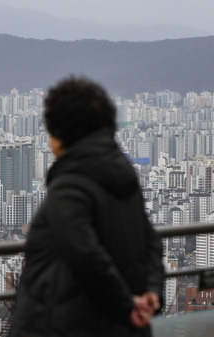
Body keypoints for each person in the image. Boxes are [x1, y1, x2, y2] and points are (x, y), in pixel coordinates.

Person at [9, 76, 164, 336]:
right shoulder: (123, 176)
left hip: (64, 325)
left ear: (60, 134)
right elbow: (151, 242)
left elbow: (87, 257)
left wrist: (127, 306)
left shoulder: (69, 187)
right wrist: (151, 293)